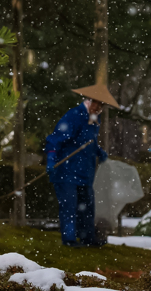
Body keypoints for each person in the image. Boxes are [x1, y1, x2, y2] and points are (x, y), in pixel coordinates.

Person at [44, 83, 117, 247]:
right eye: (97, 103)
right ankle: (69, 239)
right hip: (66, 169)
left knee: (86, 206)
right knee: (69, 206)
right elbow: (55, 140)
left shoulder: (94, 120)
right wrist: (51, 158)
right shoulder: (74, 116)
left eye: (102, 105)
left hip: (85, 171)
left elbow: (88, 142)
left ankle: (87, 237)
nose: (98, 107)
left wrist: (99, 152)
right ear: (90, 101)